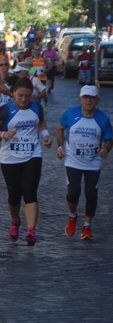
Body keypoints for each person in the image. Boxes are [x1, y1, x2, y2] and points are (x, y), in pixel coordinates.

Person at [0, 77, 52, 246]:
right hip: (10, 158)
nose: (24, 99)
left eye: (28, 96)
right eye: (20, 95)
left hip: (32, 155)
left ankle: (31, 231)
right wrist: (2, 135)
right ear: (13, 93)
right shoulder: (4, 110)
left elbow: (41, 124)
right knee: (14, 196)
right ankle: (15, 220)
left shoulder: (37, 107)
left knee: (30, 191)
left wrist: (45, 136)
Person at [57, 85, 113, 241]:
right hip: (73, 160)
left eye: (92, 97)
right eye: (86, 97)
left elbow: (109, 139)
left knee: (91, 194)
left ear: (97, 100)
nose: (89, 100)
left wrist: (106, 149)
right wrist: (60, 146)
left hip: (93, 162)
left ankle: (87, 226)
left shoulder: (102, 118)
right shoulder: (71, 114)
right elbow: (60, 128)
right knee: (73, 192)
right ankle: (72, 216)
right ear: (80, 99)